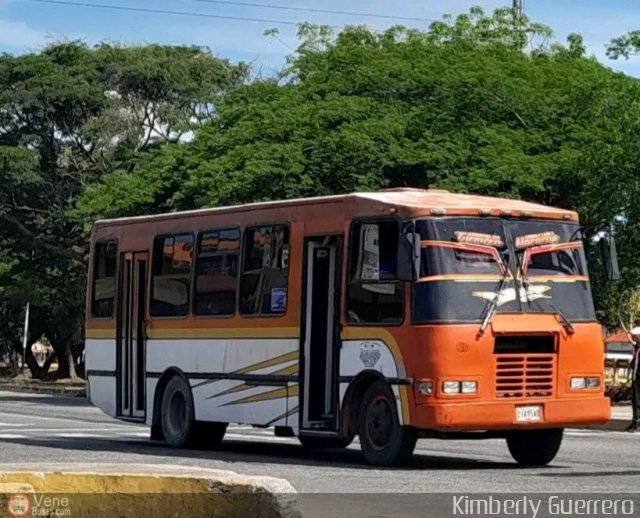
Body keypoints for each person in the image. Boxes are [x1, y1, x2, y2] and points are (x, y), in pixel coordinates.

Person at [627, 327, 640, 432]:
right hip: (635, 377)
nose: (633, 338)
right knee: (634, 401)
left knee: (638, 401)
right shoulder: (637, 348)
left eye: (635, 336)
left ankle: (637, 424)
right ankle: (635, 422)